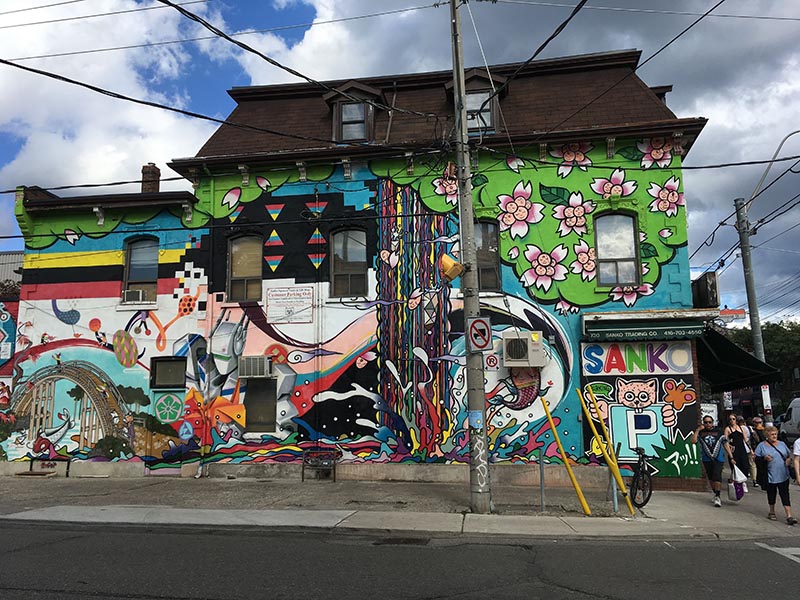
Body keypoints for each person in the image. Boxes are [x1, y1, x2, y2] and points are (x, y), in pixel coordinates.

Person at [754, 425, 797, 525]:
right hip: (770, 475)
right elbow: (756, 459)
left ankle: (789, 516)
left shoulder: (782, 444)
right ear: (767, 435)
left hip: (783, 474)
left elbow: (789, 455)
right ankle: (772, 512)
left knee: (785, 494)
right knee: (771, 494)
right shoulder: (761, 446)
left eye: (775, 434)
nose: (774, 436)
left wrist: (788, 460)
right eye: (772, 434)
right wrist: (764, 458)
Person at [693, 415, 735, 507]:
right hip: (706, 458)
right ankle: (715, 493)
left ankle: (718, 496)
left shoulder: (719, 432)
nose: (708, 424)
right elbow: (693, 441)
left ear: (712, 423)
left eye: (710, 422)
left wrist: (731, 457)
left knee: (717, 475)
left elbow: (725, 444)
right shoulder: (701, 433)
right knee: (711, 478)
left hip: (718, 458)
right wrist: (698, 430)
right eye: (706, 422)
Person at [724, 413, 751, 480]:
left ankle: (743, 481)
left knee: (745, 466)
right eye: (730, 419)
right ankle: (736, 482)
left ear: (736, 420)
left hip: (742, 449)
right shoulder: (727, 429)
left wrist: (751, 450)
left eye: (733, 419)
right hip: (734, 451)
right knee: (736, 468)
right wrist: (730, 452)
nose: (732, 420)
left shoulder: (741, 428)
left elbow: (746, 440)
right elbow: (725, 441)